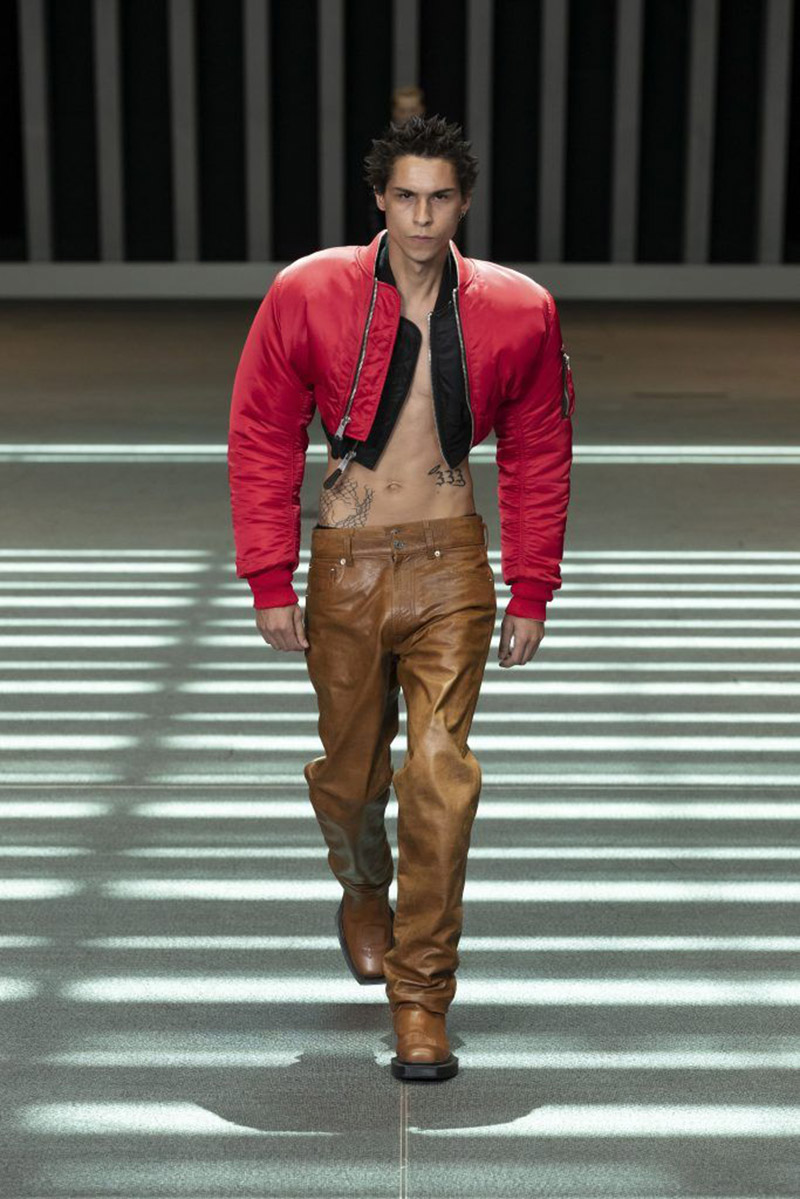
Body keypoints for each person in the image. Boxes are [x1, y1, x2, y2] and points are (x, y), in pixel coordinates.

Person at [227, 114, 575, 1082]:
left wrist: (530, 585)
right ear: (378, 200)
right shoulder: (307, 291)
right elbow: (261, 431)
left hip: (449, 563)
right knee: (350, 780)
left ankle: (422, 997)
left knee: (439, 775)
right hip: (345, 562)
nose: (422, 217)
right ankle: (361, 885)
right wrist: (268, 574)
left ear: (463, 205)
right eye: (406, 197)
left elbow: (539, 448)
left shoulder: (519, 308)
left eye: (440, 198)